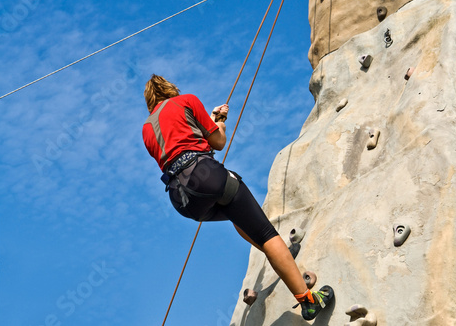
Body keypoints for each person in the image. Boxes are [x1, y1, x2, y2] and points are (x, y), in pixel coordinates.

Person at [141, 74, 333, 320]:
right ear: (170, 89)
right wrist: (219, 124)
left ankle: (272, 251)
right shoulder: (185, 101)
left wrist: (209, 120)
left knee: (235, 213)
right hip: (206, 175)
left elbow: (179, 145)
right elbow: (217, 142)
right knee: (265, 233)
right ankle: (308, 300)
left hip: (182, 199)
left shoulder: (147, 129)